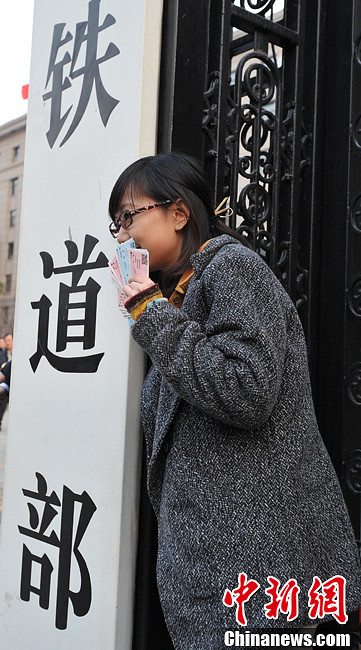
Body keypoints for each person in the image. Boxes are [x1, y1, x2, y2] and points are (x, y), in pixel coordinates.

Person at [108, 153, 361, 647]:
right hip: (220, 564)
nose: (121, 235)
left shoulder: (232, 268)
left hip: (260, 567)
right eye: (115, 223)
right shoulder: (176, 298)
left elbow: (247, 390)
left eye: (128, 217)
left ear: (178, 214)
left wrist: (151, 315)